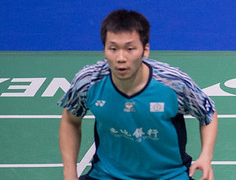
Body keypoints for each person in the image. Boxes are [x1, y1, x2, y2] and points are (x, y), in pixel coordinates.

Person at [59, 9, 218, 180]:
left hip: (168, 175)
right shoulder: (88, 81)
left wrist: (206, 156)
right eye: (113, 49)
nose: (121, 57)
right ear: (104, 49)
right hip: (107, 175)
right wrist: (70, 173)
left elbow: (208, 114)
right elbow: (70, 121)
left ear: (145, 50)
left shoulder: (172, 83)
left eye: (130, 49)